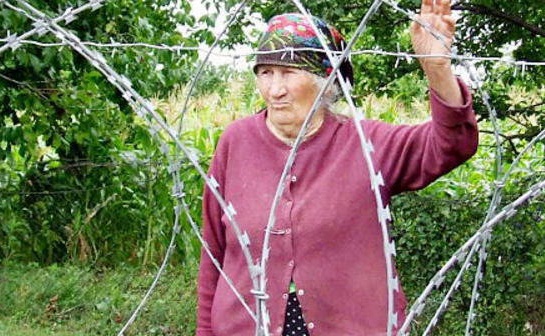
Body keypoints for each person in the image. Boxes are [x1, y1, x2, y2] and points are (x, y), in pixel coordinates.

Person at [196, 0, 478, 335]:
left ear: (324, 80)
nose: (275, 90)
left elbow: (451, 145)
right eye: (266, 73)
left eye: (290, 72)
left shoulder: (366, 143)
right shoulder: (235, 142)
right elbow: (214, 252)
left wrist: (437, 69)